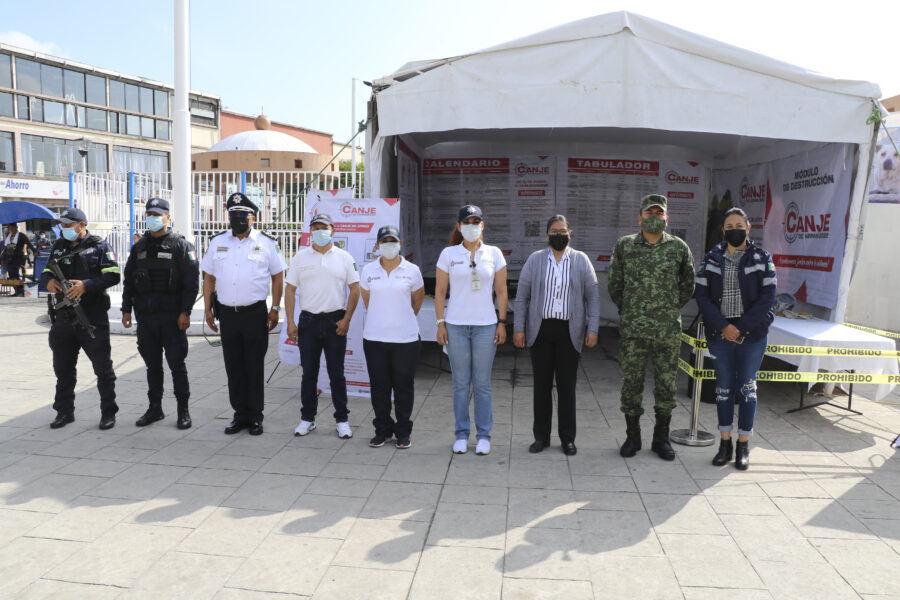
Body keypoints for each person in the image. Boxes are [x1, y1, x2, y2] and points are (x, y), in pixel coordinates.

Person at [608, 194, 695, 461]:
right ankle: (632, 437)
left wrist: (668, 308)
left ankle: (661, 439)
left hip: (666, 330)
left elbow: (688, 285)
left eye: (659, 214)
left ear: (667, 219)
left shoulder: (679, 248)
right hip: (634, 330)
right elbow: (615, 284)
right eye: (649, 213)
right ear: (640, 217)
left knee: (666, 384)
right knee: (632, 383)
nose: (654, 218)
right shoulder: (625, 246)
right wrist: (631, 309)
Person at [695, 207, 776, 470]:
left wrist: (740, 327)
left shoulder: (762, 258)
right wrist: (723, 326)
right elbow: (702, 296)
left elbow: (767, 299)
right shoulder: (711, 258)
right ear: (723, 230)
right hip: (720, 335)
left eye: (738, 225)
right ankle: (724, 444)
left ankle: (743, 445)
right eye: (729, 227)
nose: (734, 230)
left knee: (748, 389)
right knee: (724, 389)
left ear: (748, 227)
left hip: (751, 335)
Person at [513, 215, 600, 456]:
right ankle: (541, 437)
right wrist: (518, 328)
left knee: (566, 387)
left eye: (562, 230)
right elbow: (522, 297)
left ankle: (567, 438)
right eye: (554, 231)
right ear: (546, 235)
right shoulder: (535, 260)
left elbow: (592, 297)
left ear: (570, 233)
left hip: (569, 332)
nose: (558, 234)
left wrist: (592, 329)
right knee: (541, 386)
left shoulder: (581, 260)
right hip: (540, 331)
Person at [201, 193, 285, 436]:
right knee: (234, 366)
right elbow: (209, 277)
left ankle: (256, 416)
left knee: (254, 365)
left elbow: (278, 276)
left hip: (255, 314)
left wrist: (275, 308)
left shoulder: (267, 242)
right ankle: (239, 415)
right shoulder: (218, 242)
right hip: (228, 314)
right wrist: (207, 308)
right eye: (232, 215)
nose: (237, 219)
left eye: (242, 215)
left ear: (253, 218)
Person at [435, 205, 508, 456]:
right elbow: (440, 292)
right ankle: (461, 433)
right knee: (460, 384)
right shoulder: (448, 254)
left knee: (483, 383)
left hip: (486, 326)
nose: (471, 226)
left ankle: (484, 435)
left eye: (476, 222)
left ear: (483, 226)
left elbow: (501, 291)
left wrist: (502, 321)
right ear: (458, 227)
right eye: (467, 222)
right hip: (455, 325)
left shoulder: (494, 253)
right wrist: (440, 323)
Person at [121, 198, 200, 430]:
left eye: (157, 214)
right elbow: (129, 281)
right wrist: (126, 309)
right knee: (152, 366)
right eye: (149, 214)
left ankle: (183, 410)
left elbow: (191, 283)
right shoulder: (139, 247)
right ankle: (155, 408)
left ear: (167, 217)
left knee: (177, 365)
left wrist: (186, 312)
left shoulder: (181, 246)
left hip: (172, 317)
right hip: (146, 317)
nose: (152, 218)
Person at [39, 207, 120, 429]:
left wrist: (86, 285)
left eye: (67, 225)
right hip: (64, 317)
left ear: (81, 225)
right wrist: (48, 281)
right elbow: (46, 272)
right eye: (62, 225)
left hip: (91, 316)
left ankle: (108, 413)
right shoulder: (59, 247)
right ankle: (64, 412)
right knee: (63, 369)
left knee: (103, 369)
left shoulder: (99, 246)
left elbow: (113, 274)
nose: (63, 229)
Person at [285, 213, 361, 439]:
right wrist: (290, 321)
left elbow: (355, 289)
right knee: (309, 374)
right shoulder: (300, 258)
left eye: (323, 227)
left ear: (333, 231)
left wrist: (346, 319)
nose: (319, 231)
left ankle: (342, 420)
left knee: (337, 374)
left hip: (335, 322)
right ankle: (307, 419)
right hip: (308, 322)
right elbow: (290, 290)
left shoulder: (345, 257)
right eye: (315, 227)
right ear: (310, 231)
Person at [359, 225, 425, 449]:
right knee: (379, 387)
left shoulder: (412, 270)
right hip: (375, 339)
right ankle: (382, 430)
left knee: (403, 387)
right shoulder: (368, 271)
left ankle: (404, 432)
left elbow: (416, 302)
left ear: (400, 243)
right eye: (385, 241)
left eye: (393, 241)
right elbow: (368, 302)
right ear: (377, 245)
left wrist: (400, 319)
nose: (389, 245)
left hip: (405, 340)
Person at [2, 222, 36, 296]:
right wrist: (2, 259)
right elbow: (6, 248)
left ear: (16, 228)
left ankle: (20, 291)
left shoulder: (21, 236)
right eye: (8, 228)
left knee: (15, 275)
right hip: (9, 259)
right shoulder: (9, 236)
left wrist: (35, 251)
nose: (9, 229)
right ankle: (17, 291)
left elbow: (29, 244)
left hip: (18, 259)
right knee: (11, 276)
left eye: (10, 227)